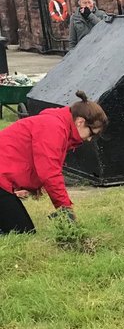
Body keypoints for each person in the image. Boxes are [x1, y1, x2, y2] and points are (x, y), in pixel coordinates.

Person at [0, 91, 108, 234]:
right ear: (80, 122)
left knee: (19, 229)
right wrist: (65, 208)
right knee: (22, 233)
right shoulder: (53, 127)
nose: (89, 139)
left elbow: (31, 160)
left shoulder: (57, 124)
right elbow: (50, 172)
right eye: (92, 134)